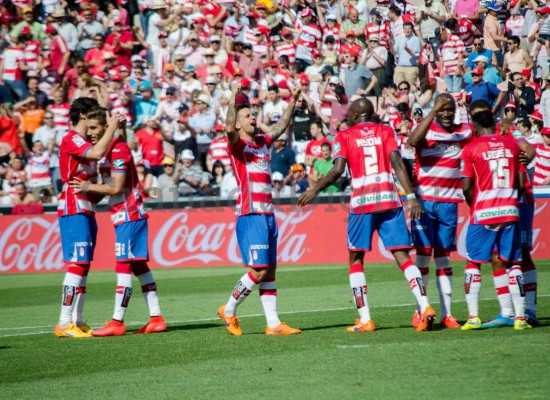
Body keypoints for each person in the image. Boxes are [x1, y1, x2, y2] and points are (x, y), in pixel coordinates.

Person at [298, 98, 435, 333]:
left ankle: (365, 318)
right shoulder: (385, 130)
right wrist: (411, 196)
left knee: (356, 259)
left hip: (362, 203)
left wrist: (316, 189)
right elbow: (397, 162)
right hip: (390, 200)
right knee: (402, 255)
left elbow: (339, 169)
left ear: (353, 115)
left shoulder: (345, 136)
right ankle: (424, 305)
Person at [70, 107, 166, 336]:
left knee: (122, 265)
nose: (90, 132)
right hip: (123, 214)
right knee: (138, 265)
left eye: (94, 128)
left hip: (130, 214)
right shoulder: (109, 148)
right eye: (89, 127)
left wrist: (87, 187)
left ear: (106, 127)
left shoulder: (119, 150)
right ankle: (156, 318)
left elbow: (115, 186)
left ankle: (117, 321)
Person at [217, 83, 302, 336]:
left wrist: (294, 99)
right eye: (247, 115)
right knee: (259, 269)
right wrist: (233, 96)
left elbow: (279, 127)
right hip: (250, 213)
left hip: (267, 214)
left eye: (253, 113)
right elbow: (228, 128)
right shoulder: (237, 147)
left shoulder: (262, 142)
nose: (253, 117)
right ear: (238, 124)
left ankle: (273, 324)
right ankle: (229, 309)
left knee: (270, 269)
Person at [460, 109, 531, 331]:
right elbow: (521, 182)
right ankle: (520, 318)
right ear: (495, 124)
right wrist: (509, 201)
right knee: (514, 263)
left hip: (484, 213)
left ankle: (473, 317)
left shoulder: (471, 149)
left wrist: (477, 206)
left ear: (475, 126)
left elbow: (466, 187)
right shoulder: (512, 147)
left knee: (473, 263)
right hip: (510, 210)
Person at [408, 94, 474, 329]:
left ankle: (447, 314)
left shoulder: (464, 132)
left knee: (444, 257)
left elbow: (479, 145)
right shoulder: (426, 130)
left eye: (450, 109)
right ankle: (420, 311)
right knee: (423, 256)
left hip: (449, 204)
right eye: (442, 109)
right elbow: (413, 141)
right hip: (424, 203)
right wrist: (433, 110)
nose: (446, 113)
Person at [54, 97, 117, 339]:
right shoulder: (71, 138)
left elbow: (94, 183)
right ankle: (63, 322)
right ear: (82, 115)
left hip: (87, 206)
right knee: (77, 264)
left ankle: (77, 321)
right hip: (73, 206)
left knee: (85, 267)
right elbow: (99, 151)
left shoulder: (84, 141)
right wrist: (112, 127)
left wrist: (96, 187)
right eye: (92, 113)